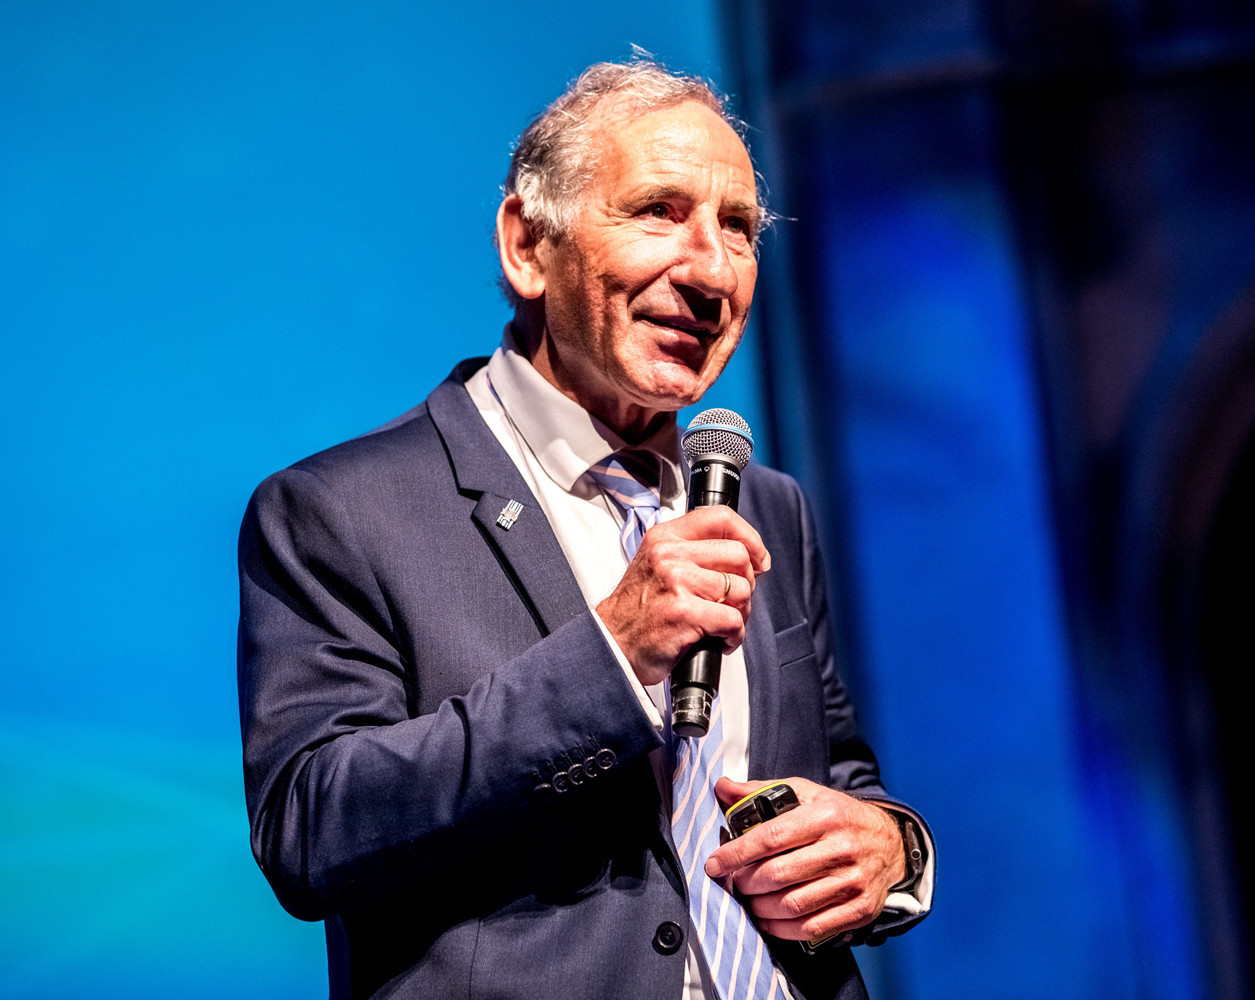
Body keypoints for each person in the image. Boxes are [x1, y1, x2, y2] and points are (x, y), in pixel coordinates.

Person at [238, 57, 933, 1000]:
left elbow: (838, 770)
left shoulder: (766, 506)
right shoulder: (340, 511)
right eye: (658, 211)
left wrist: (892, 850)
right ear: (528, 246)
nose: (711, 271)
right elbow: (311, 832)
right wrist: (611, 653)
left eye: (737, 228)